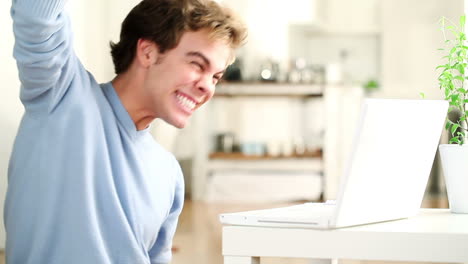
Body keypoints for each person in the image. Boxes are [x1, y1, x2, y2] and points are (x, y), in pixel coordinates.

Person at [5, 0, 246, 263]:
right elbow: (36, 15)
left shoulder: (169, 174)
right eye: (197, 65)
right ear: (148, 52)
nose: (207, 88)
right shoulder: (62, 97)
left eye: (215, 77)